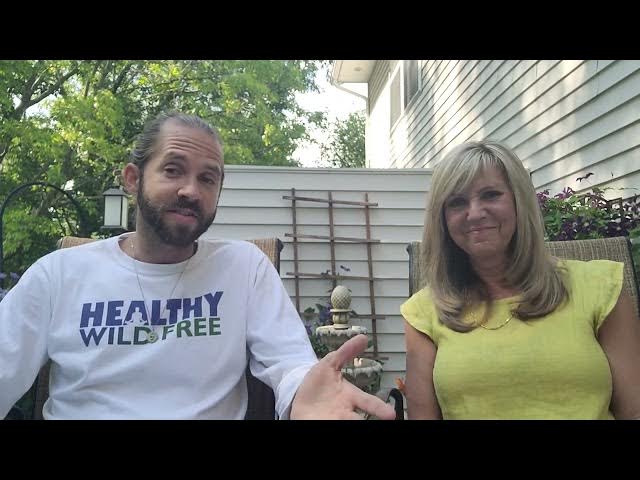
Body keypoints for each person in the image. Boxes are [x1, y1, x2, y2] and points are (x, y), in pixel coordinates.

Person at [0, 111, 395, 421]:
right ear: (133, 179)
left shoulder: (243, 268)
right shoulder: (59, 275)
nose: (191, 190)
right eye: (173, 170)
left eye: (208, 179)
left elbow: (289, 363)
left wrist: (303, 392)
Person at [401, 140, 640, 420]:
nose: (474, 213)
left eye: (490, 195)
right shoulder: (424, 313)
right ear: (442, 219)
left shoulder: (601, 287)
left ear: (519, 202)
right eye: (457, 202)